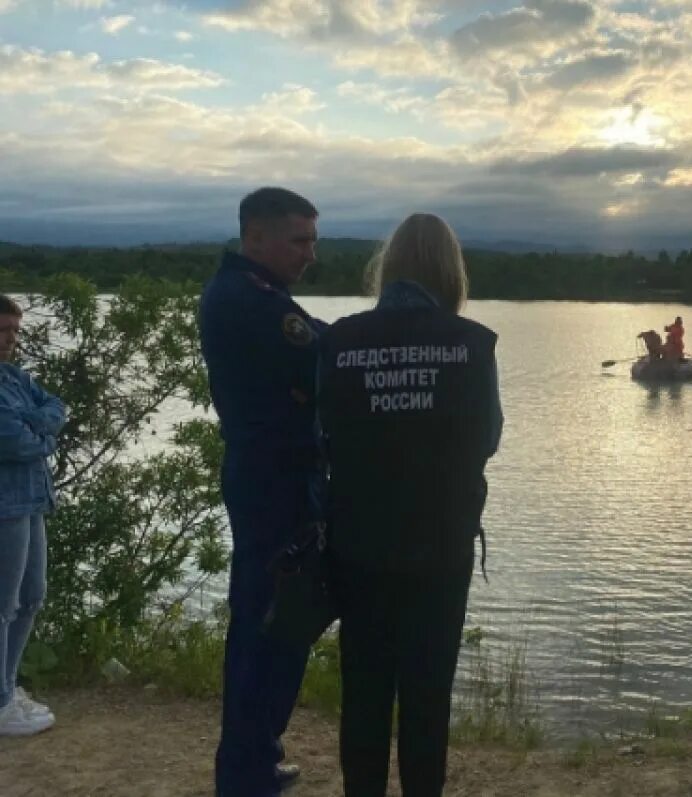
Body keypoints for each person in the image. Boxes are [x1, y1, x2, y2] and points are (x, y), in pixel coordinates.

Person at [318, 213, 502, 797]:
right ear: (452, 271)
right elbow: (487, 438)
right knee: (428, 696)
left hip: (357, 545)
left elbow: (322, 430)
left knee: (365, 691)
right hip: (440, 546)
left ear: (389, 266)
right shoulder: (473, 344)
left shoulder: (340, 339)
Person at [200, 188, 326, 795]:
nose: (310, 253)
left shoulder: (258, 294)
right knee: (268, 622)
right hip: (271, 482)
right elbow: (323, 352)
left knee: (279, 620)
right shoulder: (249, 300)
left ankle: (257, 753)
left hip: (273, 476)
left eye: (314, 240)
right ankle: (247, 769)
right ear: (255, 237)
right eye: (298, 240)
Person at [0, 295, 63, 737]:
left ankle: (7, 684)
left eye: (15, 332)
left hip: (32, 498)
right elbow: (13, 442)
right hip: (5, 506)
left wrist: (32, 422)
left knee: (32, 595)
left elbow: (57, 407)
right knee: (2, 603)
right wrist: (41, 435)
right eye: (3, 330)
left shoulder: (15, 378)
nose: (10, 340)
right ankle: (0, 702)